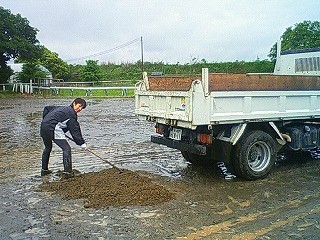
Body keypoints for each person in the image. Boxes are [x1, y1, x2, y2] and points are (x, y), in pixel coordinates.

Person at [40, 98, 87, 177]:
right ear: (74, 103)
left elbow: (46, 108)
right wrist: (81, 143)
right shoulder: (71, 114)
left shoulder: (61, 108)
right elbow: (75, 130)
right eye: (79, 106)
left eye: (82, 108)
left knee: (47, 148)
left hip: (43, 126)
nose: (80, 109)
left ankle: (44, 171)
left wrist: (46, 120)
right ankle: (68, 173)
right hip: (52, 128)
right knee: (66, 149)